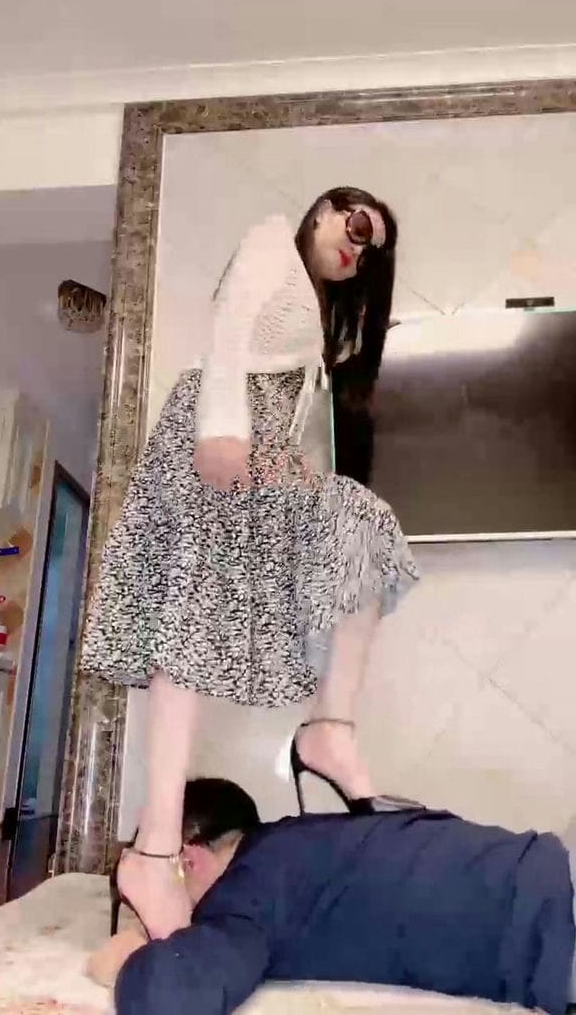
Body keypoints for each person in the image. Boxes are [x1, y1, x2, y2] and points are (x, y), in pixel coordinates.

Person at [80, 187, 419, 940]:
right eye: (357, 225)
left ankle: (327, 731)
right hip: (219, 434)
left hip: (260, 455)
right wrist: (222, 429)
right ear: (324, 209)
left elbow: (303, 424)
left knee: (362, 525)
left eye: (371, 252)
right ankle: (155, 850)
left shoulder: (320, 323)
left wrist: (299, 477)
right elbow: (231, 324)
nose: (358, 249)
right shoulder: (271, 239)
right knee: (191, 616)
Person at [112, 777, 576, 1015]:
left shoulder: (244, 894)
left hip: (557, 922)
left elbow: (169, 999)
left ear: (186, 860)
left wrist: (135, 950)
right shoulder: (300, 840)